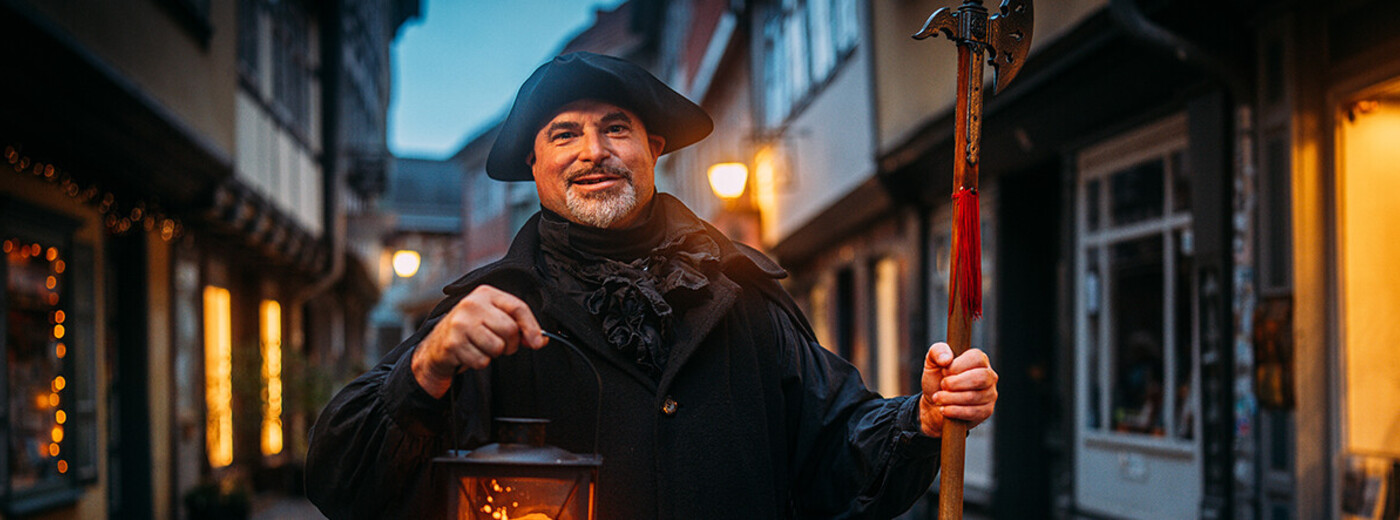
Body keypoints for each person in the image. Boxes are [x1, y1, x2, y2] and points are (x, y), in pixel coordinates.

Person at [305, 52, 998, 519]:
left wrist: (922, 419)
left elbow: (839, 444)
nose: (593, 151)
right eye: (564, 134)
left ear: (653, 149)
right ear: (535, 163)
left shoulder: (744, 297)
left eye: (616, 129)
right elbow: (343, 484)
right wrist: (424, 369)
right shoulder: (480, 316)